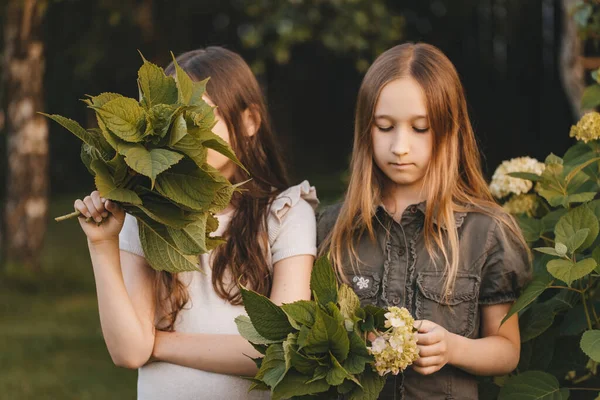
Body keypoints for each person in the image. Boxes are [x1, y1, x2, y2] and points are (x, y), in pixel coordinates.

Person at [74, 46, 318, 400]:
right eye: (173, 121)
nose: (184, 134)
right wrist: (101, 245)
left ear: (249, 120)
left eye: (200, 116)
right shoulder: (147, 215)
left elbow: (279, 348)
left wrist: (160, 344)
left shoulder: (285, 213)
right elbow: (129, 351)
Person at [317, 42, 530, 399]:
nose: (400, 146)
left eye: (420, 128)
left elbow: (507, 349)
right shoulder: (333, 229)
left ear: (449, 129)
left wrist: (453, 348)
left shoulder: (486, 231)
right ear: (365, 130)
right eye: (385, 127)